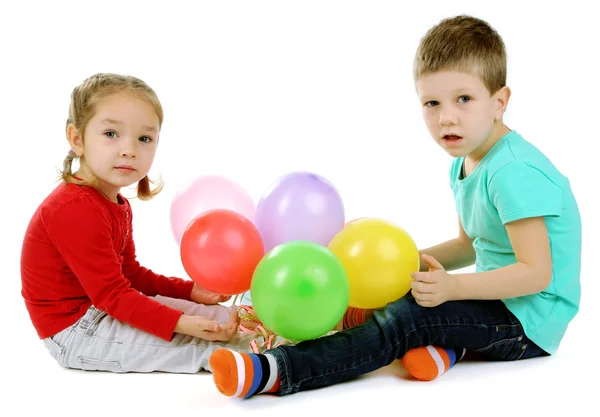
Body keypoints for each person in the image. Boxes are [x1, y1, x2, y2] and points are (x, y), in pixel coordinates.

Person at [209, 14, 582, 397]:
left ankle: (274, 371)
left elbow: (536, 274)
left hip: (528, 324)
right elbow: (469, 244)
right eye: (431, 103)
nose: (446, 117)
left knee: (406, 317)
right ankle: (441, 348)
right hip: (495, 303)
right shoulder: (466, 159)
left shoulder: (512, 172)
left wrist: (451, 287)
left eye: (464, 99)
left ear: (499, 102)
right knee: (410, 290)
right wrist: (405, 266)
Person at [20, 72, 291, 374]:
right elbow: (113, 295)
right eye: (111, 134)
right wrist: (182, 324)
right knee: (202, 344)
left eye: (144, 138)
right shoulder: (74, 209)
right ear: (77, 139)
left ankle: (293, 331)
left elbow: (129, 274)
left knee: (220, 317)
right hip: (76, 332)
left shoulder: (114, 203)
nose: (129, 149)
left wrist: (190, 292)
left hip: (104, 309)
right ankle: (289, 362)